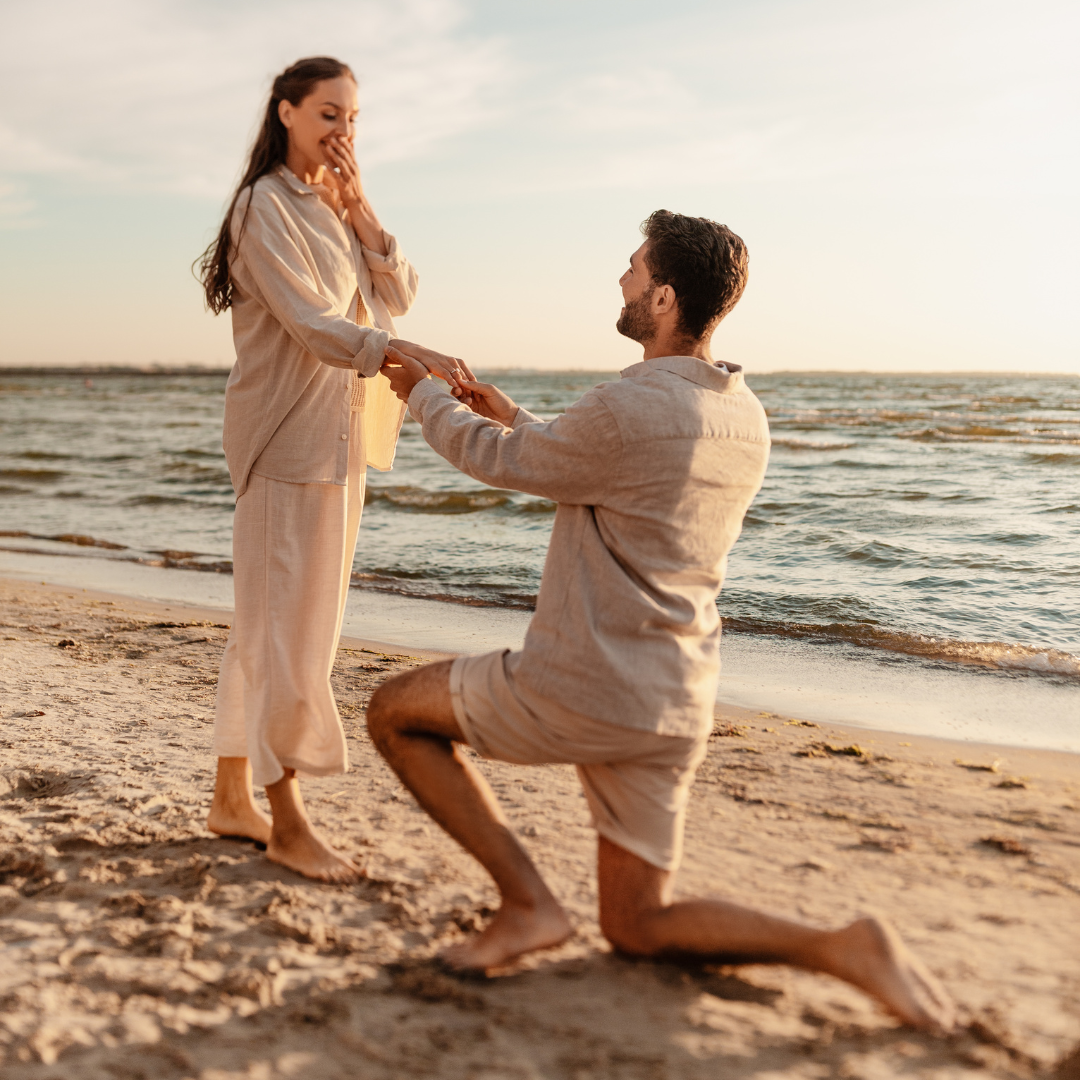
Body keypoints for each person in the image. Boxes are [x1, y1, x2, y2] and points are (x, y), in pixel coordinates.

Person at [367, 210, 956, 1031]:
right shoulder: (741, 415)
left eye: (635, 268)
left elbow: (506, 464)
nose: (622, 279)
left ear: (666, 297)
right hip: (673, 701)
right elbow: (604, 466)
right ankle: (842, 946)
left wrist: (425, 394)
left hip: (583, 686)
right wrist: (517, 414)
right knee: (637, 923)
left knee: (393, 712)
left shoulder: (624, 404)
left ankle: (529, 904)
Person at [196, 56, 474, 883]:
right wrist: (404, 352)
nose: (342, 131)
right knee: (291, 637)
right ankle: (286, 821)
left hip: (342, 440)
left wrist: (359, 206)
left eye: (352, 118)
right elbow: (319, 328)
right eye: (327, 114)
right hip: (285, 441)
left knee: (266, 627)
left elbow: (400, 290)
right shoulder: (262, 207)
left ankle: (230, 798)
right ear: (285, 114)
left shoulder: (328, 204)